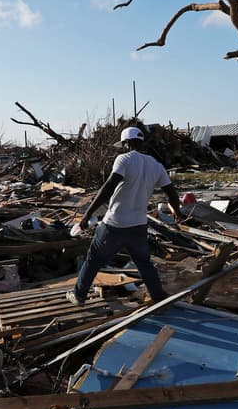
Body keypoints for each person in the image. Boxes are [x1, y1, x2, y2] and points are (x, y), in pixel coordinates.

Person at [67, 126, 182, 306]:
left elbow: (109, 186)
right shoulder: (156, 165)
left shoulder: (124, 159)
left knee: (94, 259)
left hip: (114, 225)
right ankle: (158, 297)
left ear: (126, 143)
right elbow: (172, 193)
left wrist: (87, 214)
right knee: (144, 263)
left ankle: (79, 296)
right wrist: (178, 212)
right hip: (138, 225)